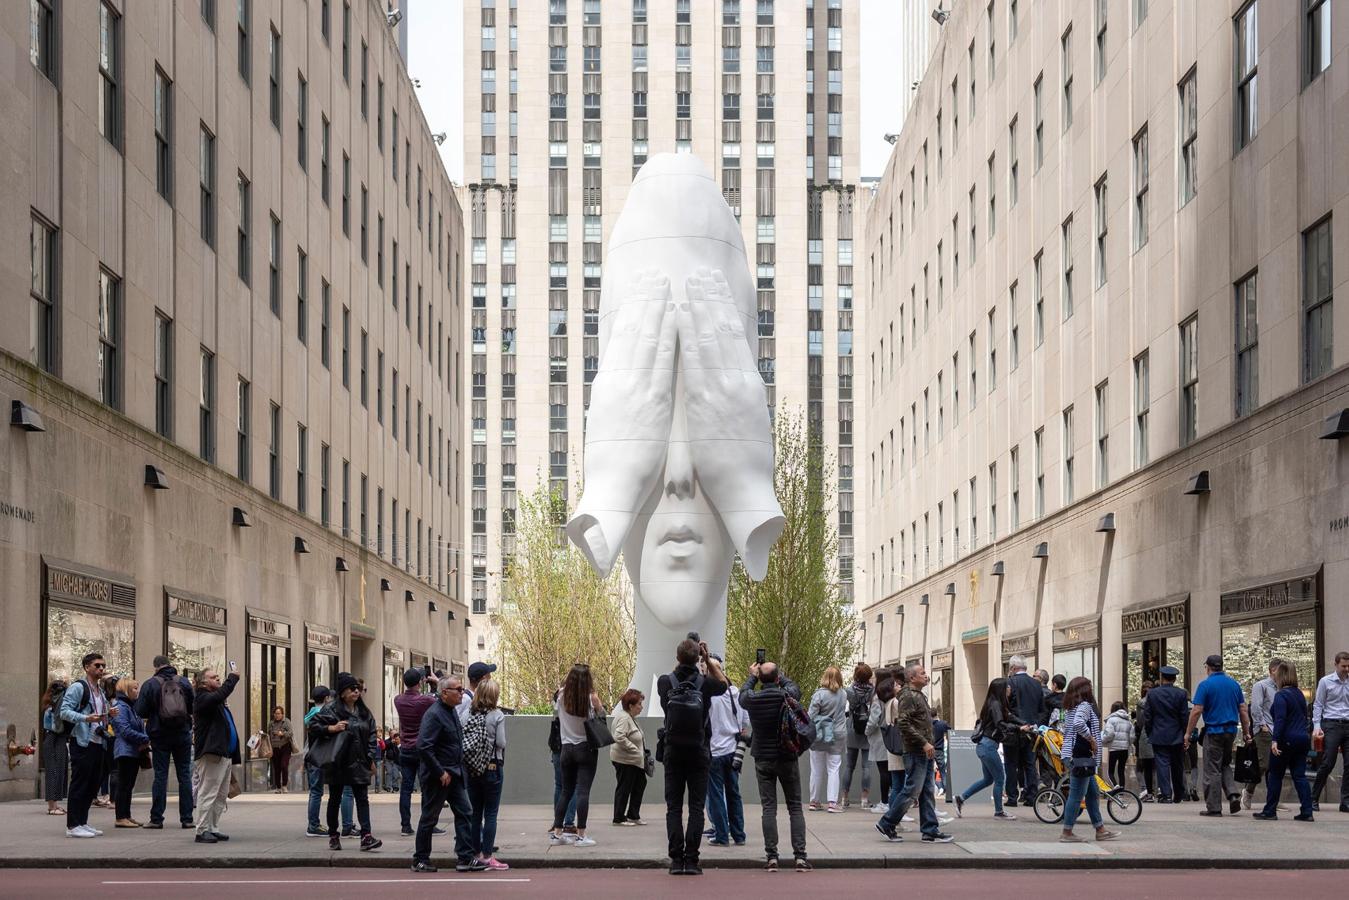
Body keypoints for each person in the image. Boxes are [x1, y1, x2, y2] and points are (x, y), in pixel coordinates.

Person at [656, 638, 729, 875]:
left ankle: (676, 860)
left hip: (673, 751)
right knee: (697, 807)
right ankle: (692, 860)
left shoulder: (666, 682)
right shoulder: (705, 683)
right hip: (699, 751)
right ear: (698, 658)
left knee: (674, 807)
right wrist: (707, 659)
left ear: (677, 657)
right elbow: (724, 683)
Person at [740, 659, 810, 871]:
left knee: (768, 808)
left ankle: (772, 856)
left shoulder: (753, 699)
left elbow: (743, 694)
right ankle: (800, 856)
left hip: (763, 757)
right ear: (778, 678)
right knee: (795, 806)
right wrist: (778, 675)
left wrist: (753, 676)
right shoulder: (786, 696)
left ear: (760, 678)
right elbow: (793, 687)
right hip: (786, 756)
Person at [411, 676, 483, 874]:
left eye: (461, 689)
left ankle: (465, 858)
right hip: (439, 776)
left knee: (465, 812)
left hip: (454, 773)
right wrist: (439, 771)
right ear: (444, 693)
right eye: (458, 689)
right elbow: (424, 746)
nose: (461, 693)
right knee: (430, 817)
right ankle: (420, 859)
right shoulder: (434, 714)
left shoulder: (450, 711)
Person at [876, 662, 952, 843]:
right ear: (912, 678)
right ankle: (887, 823)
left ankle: (930, 830)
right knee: (911, 790)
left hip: (923, 750)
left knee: (926, 790)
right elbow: (904, 723)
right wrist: (924, 743)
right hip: (916, 750)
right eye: (922, 673)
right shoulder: (909, 696)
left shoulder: (917, 695)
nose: (926, 676)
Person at [308, 672, 383, 851]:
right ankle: (334, 835)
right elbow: (313, 726)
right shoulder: (331, 709)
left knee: (362, 799)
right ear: (343, 692)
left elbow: (372, 734)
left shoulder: (364, 711)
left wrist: (371, 757)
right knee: (335, 798)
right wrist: (331, 728)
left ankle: (366, 835)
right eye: (352, 689)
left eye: (357, 689)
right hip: (338, 761)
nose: (356, 692)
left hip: (359, 761)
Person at [955, 677, 1032, 820]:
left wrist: (1025, 723)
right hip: (988, 746)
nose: (1009, 689)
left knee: (988, 780)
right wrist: (1019, 728)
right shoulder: (995, 704)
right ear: (1001, 690)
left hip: (985, 746)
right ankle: (999, 812)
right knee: (1000, 779)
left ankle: (961, 797)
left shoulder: (996, 704)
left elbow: (1011, 717)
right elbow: (1001, 724)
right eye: (1007, 687)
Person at [1184, 654, 1252, 816]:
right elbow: (1243, 710)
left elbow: (1197, 711)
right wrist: (1247, 732)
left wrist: (1187, 733)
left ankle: (1214, 807)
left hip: (1214, 731)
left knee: (1212, 768)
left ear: (1208, 667)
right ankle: (1233, 794)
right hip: (1231, 731)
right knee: (1224, 763)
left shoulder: (1205, 685)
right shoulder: (1234, 684)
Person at [135, 655, 195, 830]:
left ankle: (156, 819)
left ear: (156, 667)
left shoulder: (150, 684)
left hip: (159, 735)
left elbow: (140, 711)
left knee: (160, 775)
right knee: (184, 775)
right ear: (170, 665)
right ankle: (187, 818)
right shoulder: (183, 682)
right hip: (182, 734)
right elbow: (192, 707)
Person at [1058, 676, 1120, 843]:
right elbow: (1079, 724)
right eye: (1090, 687)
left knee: (1092, 794)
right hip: (1081, 756)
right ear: (1085, 690)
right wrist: (1091, 739)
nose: (1092, 689)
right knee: (1076, 796)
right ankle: (1067, 832)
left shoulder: (1073, 707)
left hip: (1074, 755)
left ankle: (1100, 829)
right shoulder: (1085, 706)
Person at [552, 663, 607, 849]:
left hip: (566, 749)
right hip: (586, 748)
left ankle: (557, 833)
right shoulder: (591, 698)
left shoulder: (560, 696)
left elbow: (556, 714)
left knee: (566, 791)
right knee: (583, 792)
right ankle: (581, 835)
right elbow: (602, 714)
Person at [1252, 660, 1315, 822]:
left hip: (1286, 739)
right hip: (1302, 739)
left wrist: (1275, 741)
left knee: (1275, 774)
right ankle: (1307, 810)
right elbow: (1305, 717)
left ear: (1280, 676)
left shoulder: (1281, 695)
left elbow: (1280, 720)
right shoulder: (1299, 694)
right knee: (1299, 775)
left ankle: (1270, 810)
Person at [59, 652, 110, 838]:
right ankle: (72, 826)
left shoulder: (100, 690)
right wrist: (85, 718)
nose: (101, 669)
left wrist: (108, 713)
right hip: (82, 741)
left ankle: (82, 821)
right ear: (87, 667)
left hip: (98, 742)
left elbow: (99, 713)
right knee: (80, 783)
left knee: (92, 784)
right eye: (97, 665)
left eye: (103, 665)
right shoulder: (78, 687)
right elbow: (64, 712)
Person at [460, 678, 509, 871]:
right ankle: (488, 855)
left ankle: (475, 854)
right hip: (492, 767)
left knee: (474, 813)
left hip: (472, 768)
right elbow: (501, 743)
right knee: (491, 813)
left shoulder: (467, 713)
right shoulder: (497, 715)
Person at [191, 666, 241, 843]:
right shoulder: (203, 698)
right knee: (208, 792)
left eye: (219, 677)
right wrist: (233, 677)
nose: (218, 679)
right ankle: (202, 829)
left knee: (220, 794)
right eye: (214, 677)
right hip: (211, 754)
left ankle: (213, 827)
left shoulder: (216, 700)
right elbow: (220, 694)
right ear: (203, 682)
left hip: (224, 754)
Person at [706, 657, 749, 846]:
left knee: (715, 795)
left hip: (714, 751)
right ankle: (739, 834)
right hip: (733, 750)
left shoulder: (708, 696)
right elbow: (745, 722)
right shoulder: (735, 692)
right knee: (734, 793)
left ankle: (722, 834)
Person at [394, 668, 442, 837]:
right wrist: (435, 685)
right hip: (421, 748)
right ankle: (427, 823)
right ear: (420, 682)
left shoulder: (398, 700)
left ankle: (405, 825)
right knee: (426, 788)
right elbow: (438, 700)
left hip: (405, 748)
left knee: (406, 789)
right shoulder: (425, 700)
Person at [303, 686, 353, 837]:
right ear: (326, 698)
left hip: (312, 757)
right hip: (325, 757)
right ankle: (319, 826)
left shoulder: (310, 714)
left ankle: (313, 824)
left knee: (315, 792)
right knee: (333, 792)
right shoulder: (326, 713)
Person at [1309, 650, 1349, 813]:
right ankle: (1313, 798)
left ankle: (1345, 801)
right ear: (1336, 664)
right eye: (1343, 666)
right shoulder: (1325, 682)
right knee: (1328, 762)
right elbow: (1318, 705)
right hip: (1331, 725)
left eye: (1348, 666)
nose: (1346, 669)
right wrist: (1317, 726)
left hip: (1348, 724)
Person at [1143, 665, 1190, 803]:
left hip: (1159, 734)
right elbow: (1184, 716)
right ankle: (1179, 794)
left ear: (1162, 678)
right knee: (1177, 764)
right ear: (1174, 679)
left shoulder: (1152, 694)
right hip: (1177, 734)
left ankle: (1166, 794)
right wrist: (1185, 733)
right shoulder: (1181, 694)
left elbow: (1148, 716)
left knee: (1162, 764)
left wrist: (1150, 731)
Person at [1004, 655, 1046, 806]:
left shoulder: (1010, 682)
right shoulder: (1036, 684)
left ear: (1013, 668)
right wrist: (1035, 725)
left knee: (1011, 764)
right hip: (1032, 731)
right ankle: (1031, 796)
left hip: (1014, 731)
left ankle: (1012, 797)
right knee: (1030, 765)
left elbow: (1006, 708)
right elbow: (1042, 710)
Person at [1242, 659, 1282, 810]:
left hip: (1278, 730)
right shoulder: (1261, 686)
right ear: (1272, 670)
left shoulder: (1282, 688)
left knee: (1275, 766)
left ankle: (1273, 800)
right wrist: (1262, 725)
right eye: (1280, 670)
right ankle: (1248, 791)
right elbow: (1256, 707)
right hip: (1265, 731)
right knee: (1262, 764)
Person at [807, 665, 847, 812]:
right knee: (834, 768)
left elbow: (810, 716)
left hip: (819, 734)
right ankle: (832, 803)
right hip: (837, 733)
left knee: (816, 769)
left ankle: (814, 801)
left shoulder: (818, 695)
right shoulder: (843, 694)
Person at [109, 678, 148, 828]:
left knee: (128, 785)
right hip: (125, 751)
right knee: (124, 784)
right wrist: (145, 738)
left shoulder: (130, 707)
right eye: (134, 689)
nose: (137, 691)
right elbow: (125, 730)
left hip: (133, 751)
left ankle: (126, 815)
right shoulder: (121, 706)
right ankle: (120, 817)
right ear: (126, 690)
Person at [609, 689, 648, 826]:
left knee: (640, 784)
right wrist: (634, 749)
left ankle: (633, 814)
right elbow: (619, 736)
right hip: (625, 760)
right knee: (624, 787)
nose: (641, 707)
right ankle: (619, 817)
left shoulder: (630, 717)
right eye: (639, 704)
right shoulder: (625, 718)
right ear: (631, 705)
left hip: (634, 760)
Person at [840, 663, 875, 809]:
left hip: (852, 729)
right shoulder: (873, 692)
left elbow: (844, 710)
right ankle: (864, 799)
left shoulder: (848, 691)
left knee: (849, 766)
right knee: (866, 767)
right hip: (867, 730)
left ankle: (844, 798)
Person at [864, 674, 895, 811]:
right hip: (891, 736)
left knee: (884, 771)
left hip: (879, 738)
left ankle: (885, 802)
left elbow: (874, 720)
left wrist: (867, 731)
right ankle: (891, 800)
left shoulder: (877, 698)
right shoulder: (892, 698)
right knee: (891, 772)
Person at [41, 679, 70, 818]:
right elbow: (55, 725)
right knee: (53, 772)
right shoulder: (54, 704)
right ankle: (52, 806)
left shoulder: (51, 702)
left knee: (58, 771)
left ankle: (55, 804)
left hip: (55, 738)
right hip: (54, 738)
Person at [1102, 700, 1135, 788]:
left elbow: (1109, 734)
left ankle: (1116, 787)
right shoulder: (1128, 722)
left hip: (1114, 749)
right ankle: (1122, 790)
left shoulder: (1111, 720)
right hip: (1124, 750)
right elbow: (1132, 737)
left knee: (1110, 772)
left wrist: (1102, 740)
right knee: (1121, 770)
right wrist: (1128, 744)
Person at [1134, 683, 1157, 801]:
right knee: (1158, 765)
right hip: (1159, 734)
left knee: (1146, 766)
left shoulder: (1141, 703)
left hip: (1146, 736)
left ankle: (1149, 793)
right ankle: (1161, 791)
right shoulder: (1159, 700)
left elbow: (1140, 723)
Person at [268, 706, 295, 793]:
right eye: (275, 713)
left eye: (279, 713)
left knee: (284, 765)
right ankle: (278, 788)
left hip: (285, 747)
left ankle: (284, 786)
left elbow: (290, 733)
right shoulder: (271, 723)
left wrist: (282, 734)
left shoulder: (286, 722)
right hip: (274, 748)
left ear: (282, 714)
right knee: (276, 768)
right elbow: (268, 734)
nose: (277, 715)